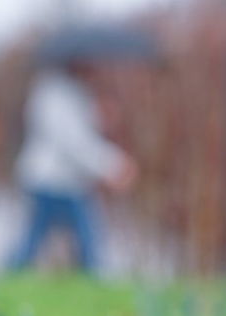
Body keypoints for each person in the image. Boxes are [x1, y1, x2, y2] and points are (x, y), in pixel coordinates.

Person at [9, 64, 136, 272]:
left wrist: (102, 117)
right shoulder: (57, 95)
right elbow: (74, 143)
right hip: (55, 181)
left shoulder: (62, 92)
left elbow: (81, 137)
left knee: (37, 236)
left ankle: (14, 273)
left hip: (52, 180)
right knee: (86, 238)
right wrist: (113, 166)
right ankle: (93, 277)